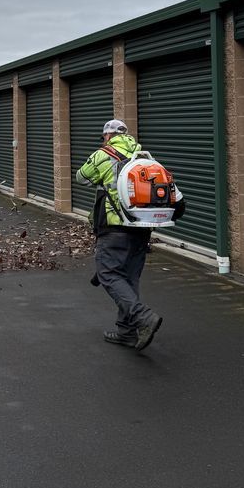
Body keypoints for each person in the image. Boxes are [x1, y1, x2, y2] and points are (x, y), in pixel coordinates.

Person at [76, 118, 163, 352]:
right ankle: (126, 332)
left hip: (114, 228)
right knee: (129, 278)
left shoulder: (103, 154)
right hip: (141, 227)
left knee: (109, 274)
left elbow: (81, 177)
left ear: (108, 136)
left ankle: (143, 317)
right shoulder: (143, 155)